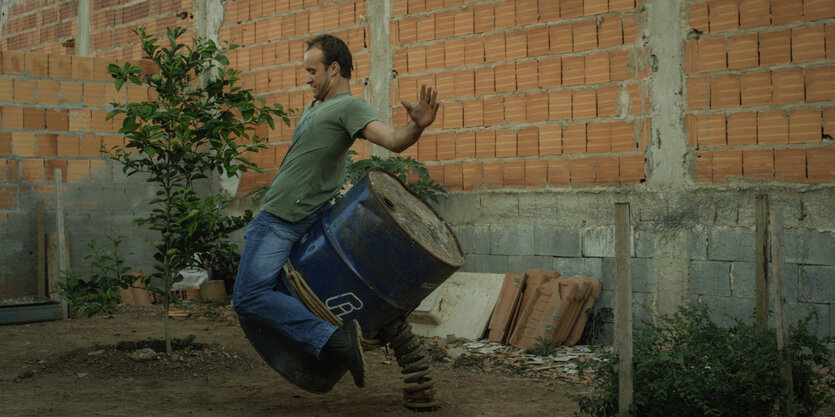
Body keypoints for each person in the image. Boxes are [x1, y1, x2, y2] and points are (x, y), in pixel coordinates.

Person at [232, 34, 439, 389]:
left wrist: (416, 126)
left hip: (282, 219)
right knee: (281, 292)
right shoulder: (315, 107)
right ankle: (329, 345)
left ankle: (335, 342)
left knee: (248, 296)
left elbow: (391, 140)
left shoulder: (348, 107)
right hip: (293, 213)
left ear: (334, 68)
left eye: (312, 71)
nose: (307, 78)